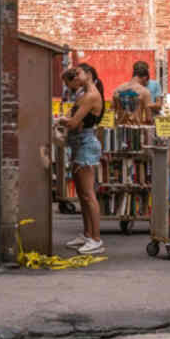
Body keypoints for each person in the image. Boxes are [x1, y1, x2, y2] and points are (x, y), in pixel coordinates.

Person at [54, 65, 106, 255]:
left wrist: (59, 121)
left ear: (89, 75)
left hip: (86, 144)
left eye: (79, 73)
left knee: (88, 194)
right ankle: (87, 234)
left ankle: (96, 238)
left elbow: (74, 122)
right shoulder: (82, 94)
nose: (76, 76)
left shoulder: (91, 95)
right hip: (80, 143)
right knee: (82, 195)